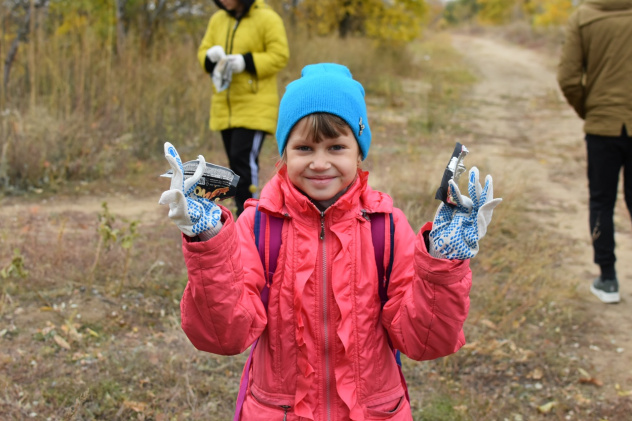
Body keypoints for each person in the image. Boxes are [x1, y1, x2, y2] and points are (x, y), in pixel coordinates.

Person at [159, 63, 502, 420]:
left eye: (336, 147)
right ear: (284, 154)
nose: (320, 163)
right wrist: (209, 243)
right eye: (304, 148)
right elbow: (222, 336)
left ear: (359, 152)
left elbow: (426, 342)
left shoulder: (387, 228)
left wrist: (443, 263)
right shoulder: (257, 226)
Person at [557, 0, 632, 304]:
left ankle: (608, 279)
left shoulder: (582, 18)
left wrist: (590, 109)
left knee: (602, 200)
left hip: (602, 127)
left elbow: (568, 78)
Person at [198, 0, 289, 216]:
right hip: (225, 106)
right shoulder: (217, 20)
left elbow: (279, 55)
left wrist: (246, 61)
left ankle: (253, 217)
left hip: (254, 105)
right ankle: (244, 214)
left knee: (243, 161)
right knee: (234, 165)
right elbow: (203, 53)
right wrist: (209, 56)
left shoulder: (268, 18)